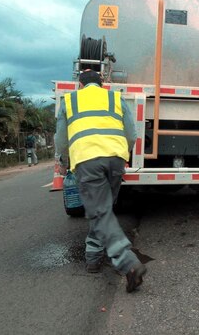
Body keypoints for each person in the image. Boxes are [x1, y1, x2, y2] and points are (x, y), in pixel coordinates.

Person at [54, 70, 147, 293]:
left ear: (80, 84)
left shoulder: (70, 100)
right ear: (102, 83)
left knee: (100, 212)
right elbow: (132, 133)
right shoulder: (115, 98)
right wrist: (122, 154)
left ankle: (128, 263)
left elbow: (61, 139)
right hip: (115, 159)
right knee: (103, 211)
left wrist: (64, 161)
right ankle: (93, 257)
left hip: (87, 160)